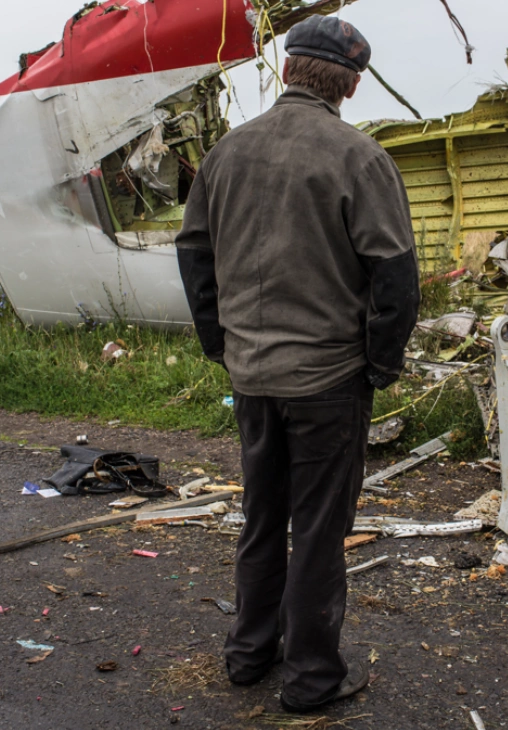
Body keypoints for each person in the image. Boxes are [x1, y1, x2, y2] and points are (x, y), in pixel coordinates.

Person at [175, 15, 419, 714]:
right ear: (352, 85)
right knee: (316, 528)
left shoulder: (226, 153)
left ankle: (248, 654)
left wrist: (222, 346)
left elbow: (194, 256)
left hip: (252, 376)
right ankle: (312, 678)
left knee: (262, 515)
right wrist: (379, 366)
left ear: (287, 70)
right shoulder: (360, 158)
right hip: (327, 380)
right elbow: (396, 281)